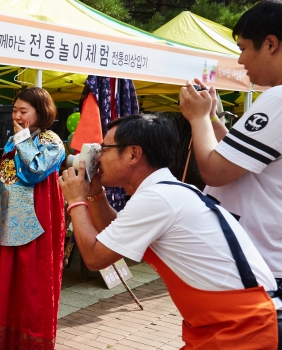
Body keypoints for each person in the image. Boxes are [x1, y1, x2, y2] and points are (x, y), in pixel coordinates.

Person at [59, 114, 281, 349]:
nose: (98, 157)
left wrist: (76, 200)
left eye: (104, 148)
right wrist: (95, 194)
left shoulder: (158, 198)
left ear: (134, 154)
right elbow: (111, 237)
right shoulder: (165, 192)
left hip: (246, 326)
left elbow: (96, 257)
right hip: (232, 321)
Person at [178, 0, 282, 330]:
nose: (240, 60)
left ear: (271, 43)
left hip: (260, 262)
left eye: (243, 48)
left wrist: (196, 119)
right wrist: (210, 118)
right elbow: (237, 158)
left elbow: (214, 170)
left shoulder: (277, 99)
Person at [0, 87, 66, 350]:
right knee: (4, 284)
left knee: (29, 286)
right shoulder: (14, 140)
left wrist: (22, 138)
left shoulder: (52, 141)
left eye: (24, 111)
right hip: (5, 223)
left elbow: (35, 171)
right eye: (15, 111)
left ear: (40, 112)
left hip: (35, 224)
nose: (17, 116)